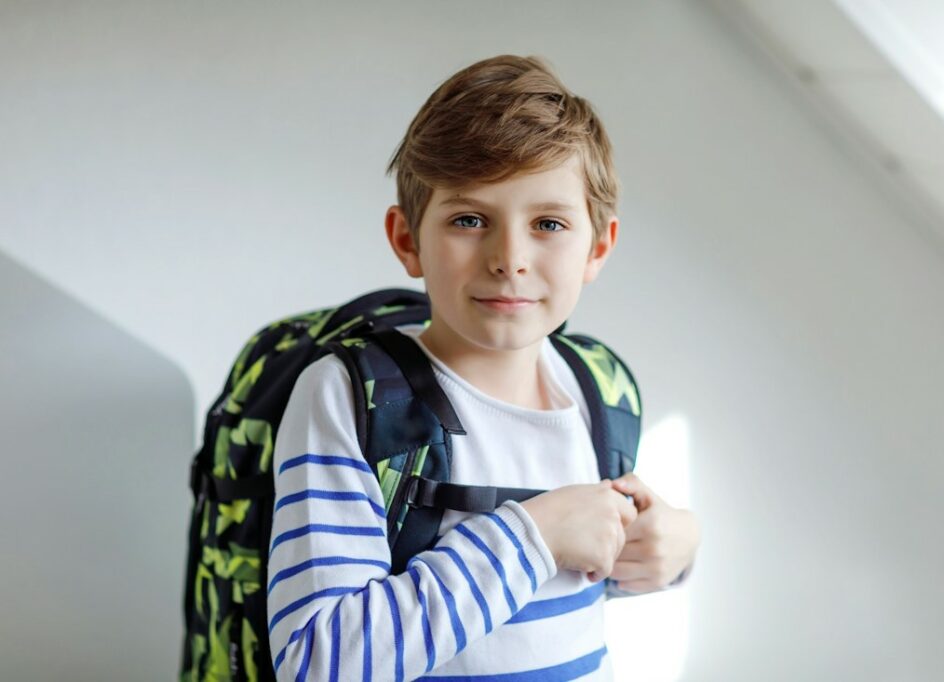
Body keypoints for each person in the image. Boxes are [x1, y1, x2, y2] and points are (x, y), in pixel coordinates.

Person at [266, 53, 701, 680]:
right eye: (470, 220)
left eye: (548, 223)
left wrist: (674, 549)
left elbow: (553, 592)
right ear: (408, 239)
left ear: (597, 246)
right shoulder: (353, 397)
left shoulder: (595, 389)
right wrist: (536, 534)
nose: (510, 258)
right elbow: (317, 662)